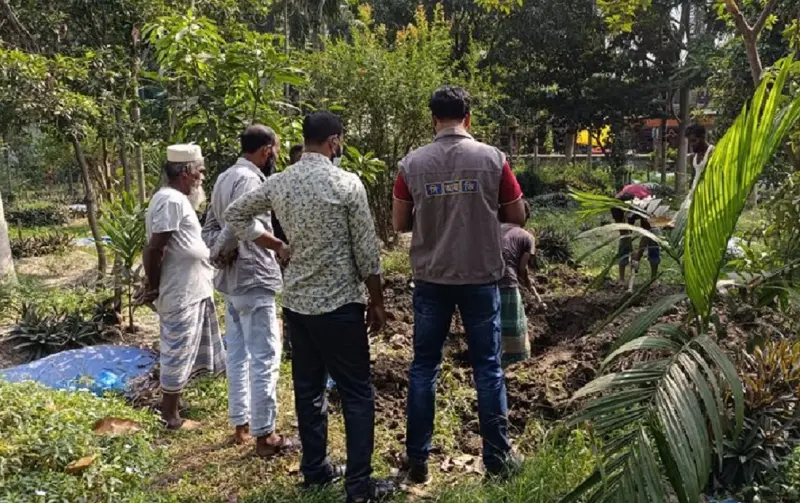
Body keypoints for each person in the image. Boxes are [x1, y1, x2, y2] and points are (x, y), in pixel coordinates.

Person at [223, 112, 395, 503]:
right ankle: (359, 486)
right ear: (334, 142)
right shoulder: (346, 183)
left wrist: (274, 244)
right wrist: (377, 300)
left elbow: (234, 214)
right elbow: (366, 250)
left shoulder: (280, 182)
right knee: (356, 394)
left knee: (309, 390)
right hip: (339, 306)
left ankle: (315, 470)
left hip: (298, 306)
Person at [392, 86, 526, 483]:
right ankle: (498, 459)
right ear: (468, 118)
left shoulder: (411, 164)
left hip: (431, 279)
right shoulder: (493, 159)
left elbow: (399, 223)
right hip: (480, 277)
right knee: (488, 368)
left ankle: (418, 460)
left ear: (433, 119)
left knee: (424, 367)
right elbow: (517, 215)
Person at [201, 125, 296, 456]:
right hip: (253, 275)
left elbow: (210, 226)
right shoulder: (251, 180)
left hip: (232, 282)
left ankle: (241, 424)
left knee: (239, 355)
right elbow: (236, 223)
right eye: (276, 150)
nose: (276, 156)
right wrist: (278, 246)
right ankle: (265, 435)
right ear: (267, 149)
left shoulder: (224, 177)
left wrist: (216, 252)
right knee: (265, 356)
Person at [142, 144, 225, 430]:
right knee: (176, 351)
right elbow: (154, 248)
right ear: (185, 172)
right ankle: (170, 416)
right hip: (180, 289)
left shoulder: (176, 200)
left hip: (190, 287)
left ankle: (174, 405)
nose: (202, 177)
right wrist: (153, 286)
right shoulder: (171, 201)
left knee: (185, 347)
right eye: (199, 171)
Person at [499, 200, 535, 367]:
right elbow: (522, 269)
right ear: (525, 216)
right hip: (507, 282)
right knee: (513, 326)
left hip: (483, 283)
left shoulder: (491, 230)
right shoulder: (527, 237)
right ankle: (516, 364)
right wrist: (528, 284)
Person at [612, 183, 660, 284]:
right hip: (628, 206)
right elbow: (624, 234)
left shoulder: (647, 204)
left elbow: (647, 232)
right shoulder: (616, 207)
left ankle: (653, 279)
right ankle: (621, 279)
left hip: (643, 205)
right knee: (624, 241)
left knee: (653, 238)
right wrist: (632, 252)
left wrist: (638, 256)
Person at [686, 123, 714, 195]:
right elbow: (693, 177)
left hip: (707, 195)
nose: (691, 144)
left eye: (694, 140)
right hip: (694, 195)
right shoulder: (693, 157)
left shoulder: (712, 152)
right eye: (690, 141)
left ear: (702, 137)